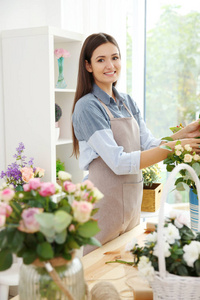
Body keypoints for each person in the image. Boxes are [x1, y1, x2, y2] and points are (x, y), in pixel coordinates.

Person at [71, 33, 200, 255]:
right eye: (100, 59)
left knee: (123, 273)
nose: (110, 65)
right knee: (98, 278)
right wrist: (175, 148)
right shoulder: (88, 107)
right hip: (102, 207)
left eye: (115, 57)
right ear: (88, 65)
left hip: (131, 206)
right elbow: (118, 163)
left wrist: (183, 133)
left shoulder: (128, 102)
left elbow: (148, 144)